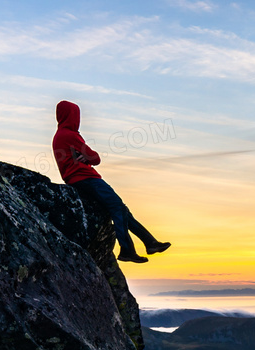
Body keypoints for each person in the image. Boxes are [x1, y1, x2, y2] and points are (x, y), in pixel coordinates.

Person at [52, 100, 170, 263]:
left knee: (122, 210)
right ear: (72, 116)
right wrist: (87, 158)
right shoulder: (70, 135)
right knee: (117, 206)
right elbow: (96, 158)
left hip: (76, 179)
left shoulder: (59, 136)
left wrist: (84, 158)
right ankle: (127, 250)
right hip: (87, 178)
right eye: (76, 115)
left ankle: (150, 242)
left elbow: (86, 158)